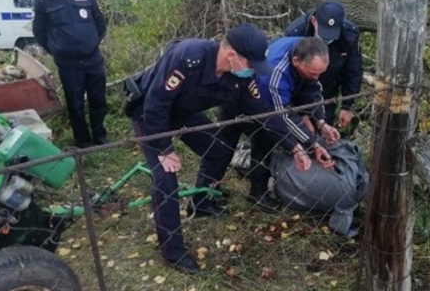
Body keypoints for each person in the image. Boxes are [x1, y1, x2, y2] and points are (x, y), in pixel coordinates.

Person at [125, 24, 310, 274]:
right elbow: (156, 102)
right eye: (251, 64)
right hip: (149, 115)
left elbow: (264, 113)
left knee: (220, 148)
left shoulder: (242, 76)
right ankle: (173, 251)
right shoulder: (189, 56)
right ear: (232, 55)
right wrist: (164, 148)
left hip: (184, 112)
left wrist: (295, 146)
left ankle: (200, 203)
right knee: (166, 179)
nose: (253, 70)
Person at [218, 37, 341, 210]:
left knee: (268, 140)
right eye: (313, 73)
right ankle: (208, 191)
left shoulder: (306, 48)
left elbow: (312, 89)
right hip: (240, 99)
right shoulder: (276, 74)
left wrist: (321, 122)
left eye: (320, 73)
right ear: (296, 61)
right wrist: (313, 144)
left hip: (266, 99)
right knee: (243, 141)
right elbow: (282, 116)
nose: (317, 77)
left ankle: (256, 193)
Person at [33, 0, 107, 148]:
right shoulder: (43, 2)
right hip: (68, 65)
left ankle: (100, 137)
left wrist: (91, 44)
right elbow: (39, 33)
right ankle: (82, 142)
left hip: (93, 60)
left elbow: (100, 23)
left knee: (98, 100)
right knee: (75, 105)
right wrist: (58, 50)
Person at [285, 0, 363, 128]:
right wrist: (300, 112)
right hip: (297, 91)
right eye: (324, 32)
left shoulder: (349, 35)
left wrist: (347, 105)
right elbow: (287, 75)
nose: (327, 38)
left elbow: (353, 70)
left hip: (328, 90)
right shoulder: (295, 33)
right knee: (300, 136)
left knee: (325, 132)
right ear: (314, 21)